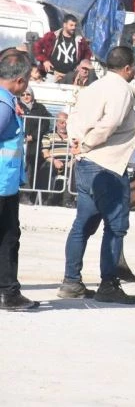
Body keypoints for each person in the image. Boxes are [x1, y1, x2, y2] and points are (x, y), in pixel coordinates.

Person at [57, 46, 135, 304]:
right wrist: (87, 143)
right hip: (108, 166)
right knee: (115, 227)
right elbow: (110, 123)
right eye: (133, 68)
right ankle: (108, 285)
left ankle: (71, 282)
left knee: (82, 225)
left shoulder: (93, 87)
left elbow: (73, 118)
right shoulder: (122, 89)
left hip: (86, 164)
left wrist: (78, 143)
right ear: (127, 68)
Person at [0, 48, 39, 310]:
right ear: (20, 81)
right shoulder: (4, 104)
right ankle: (8, 292)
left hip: (7, 183)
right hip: (2, 183)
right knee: (7, 238)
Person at [33, 14, 92, 81]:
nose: (73, 28)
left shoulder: (80, 40)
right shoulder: (52, 36)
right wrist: (45, 60)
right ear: (65, 25)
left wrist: (82, 65)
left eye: (75, 25)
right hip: (52, 74)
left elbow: (88, 53)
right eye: (71, 25)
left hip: (71, 76)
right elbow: (37, 46)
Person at [19, 86, 51, 200]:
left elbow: (45, 123)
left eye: (28, 94)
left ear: (32, 96)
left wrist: (33, 136)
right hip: (18, 142)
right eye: (23, 95)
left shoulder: (40, 108)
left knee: (29, 169)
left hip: (33, 144)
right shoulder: (16, 105)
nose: (25, 97)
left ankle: (26, 195)